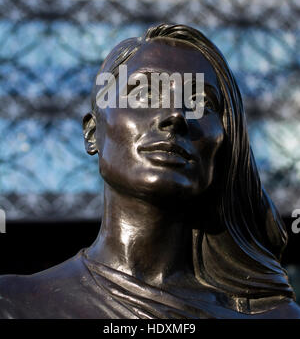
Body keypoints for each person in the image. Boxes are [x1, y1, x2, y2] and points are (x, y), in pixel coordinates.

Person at [0, 23, 299, 319]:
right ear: (93, 133)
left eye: (200, 102)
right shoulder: (14, 304)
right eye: (144, 94)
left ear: (224, 144)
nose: (175, 116)